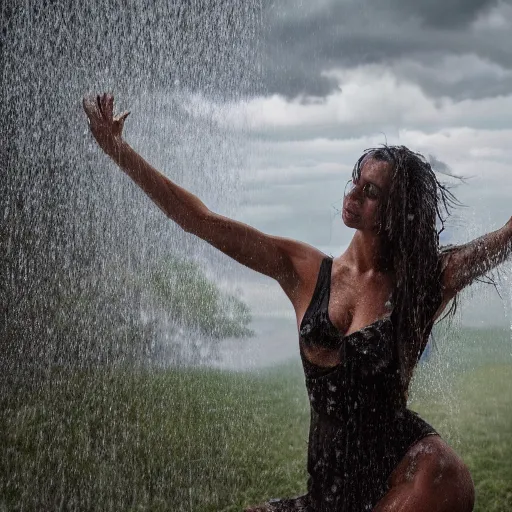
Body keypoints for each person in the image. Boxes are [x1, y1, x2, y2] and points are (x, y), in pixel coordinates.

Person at [83, 94, 512, 512]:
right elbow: (199, 220)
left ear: (397, 209)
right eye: (355, 180)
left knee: (444, 471)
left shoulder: (423, 284)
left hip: (403, 470)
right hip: (329, 488)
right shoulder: (304, 270)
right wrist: (118, 150)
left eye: (371, 191)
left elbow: (505, 237)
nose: (353, 194)